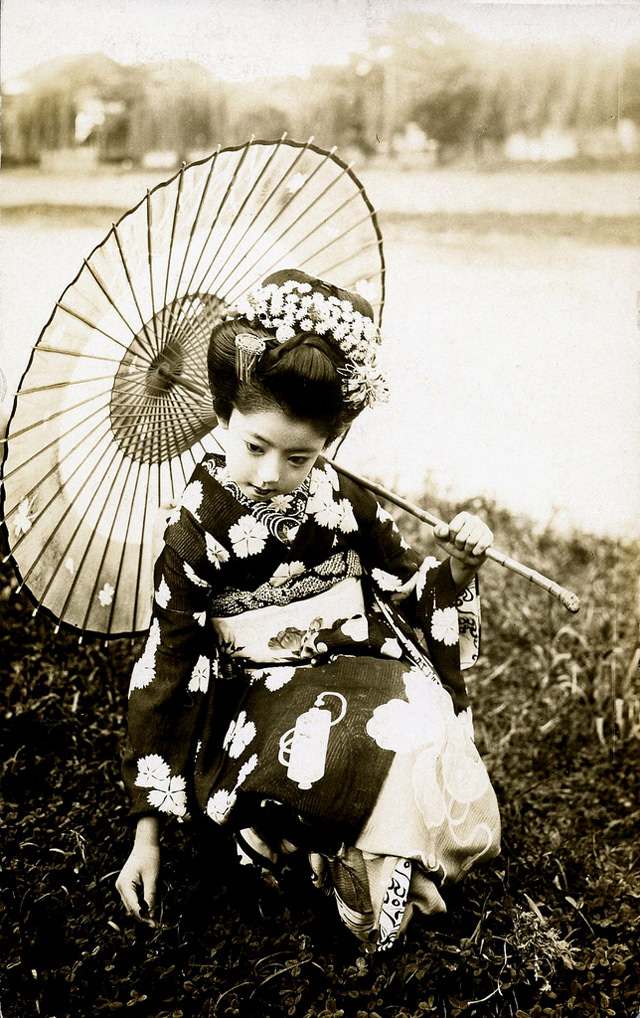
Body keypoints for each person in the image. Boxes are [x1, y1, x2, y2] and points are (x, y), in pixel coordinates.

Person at [116, 269, 501, 951]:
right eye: (255, 447)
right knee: (336, 743)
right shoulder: (194, 530)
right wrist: (147, 835)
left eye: (300, 457)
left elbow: (412, 592)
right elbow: (166, 664)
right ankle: (377, 865)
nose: (270, 475)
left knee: (415, 712)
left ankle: (358, 860)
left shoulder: (343, 497)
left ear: (329, 442)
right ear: (224, 414)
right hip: (260, 700)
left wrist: (460, 565)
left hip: (362, 668)